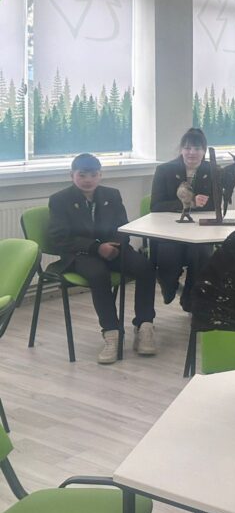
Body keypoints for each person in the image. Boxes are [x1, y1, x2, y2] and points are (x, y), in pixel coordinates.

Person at [49, 153, 159, 364]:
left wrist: (115, 245)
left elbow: (123, 226)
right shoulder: (59, 200)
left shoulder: (112, 194)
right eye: (82, 175)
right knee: (99, 274)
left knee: (145, 267)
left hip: (113, 248)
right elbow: (60, 238)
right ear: (72, 175)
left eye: (93, 175)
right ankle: (112, 333)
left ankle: (144, 325)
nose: (88, 180)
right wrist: (96, 248)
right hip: (80, 254)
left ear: (100, 175)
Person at [150, 128, 215, 310]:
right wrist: (189, 202)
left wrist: (202, 203)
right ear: (181, 150)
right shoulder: (164, 170)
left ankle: (190, 299)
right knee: (169, 254)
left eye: (197, 148)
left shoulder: (213, 170)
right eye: (187, 148)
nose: (192, 152)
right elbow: (156, 205)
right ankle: (168, 285)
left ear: (204, 150)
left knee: (201, 254)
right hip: (170, 230)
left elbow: (216, 204)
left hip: (200, 231)